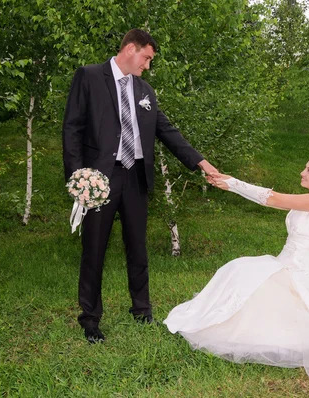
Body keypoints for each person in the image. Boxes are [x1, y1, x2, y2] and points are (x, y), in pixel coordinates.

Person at [164, 154, 309, 378]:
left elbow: (272, 198)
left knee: (251, 279)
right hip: (285, 262)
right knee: (240, 270)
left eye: (308, 170)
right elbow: (272, 202)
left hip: (300, 272)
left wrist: (233, 183)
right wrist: (231, 184)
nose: (302, 172)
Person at [62, 29, 217, 344]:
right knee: (94, 250)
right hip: (99, 179)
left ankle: (142, 310)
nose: (147, 65)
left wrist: (201, 163)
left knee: (138, 247)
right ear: (130, 49)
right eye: (146, 58)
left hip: (136, 178)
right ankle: (90, 320)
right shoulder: (89, 76)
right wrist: (78, 176)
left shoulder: (145, 90)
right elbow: (72, 128)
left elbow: (166, 130)